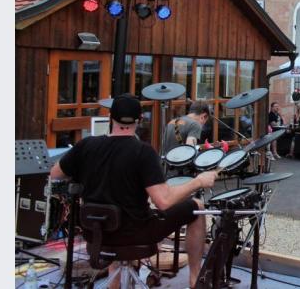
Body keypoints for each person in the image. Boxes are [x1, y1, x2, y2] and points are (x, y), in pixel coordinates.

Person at [50, 94, 217, 288]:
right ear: (138, 121)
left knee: (116, 214)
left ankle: (115, 283)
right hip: (135, 234)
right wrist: (198, 182)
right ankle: (195, 279)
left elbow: (54, 173)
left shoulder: (85, 145)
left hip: (95, 232)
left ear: (111, 118)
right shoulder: (143, 152)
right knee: (197, 206)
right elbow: (163, 200)